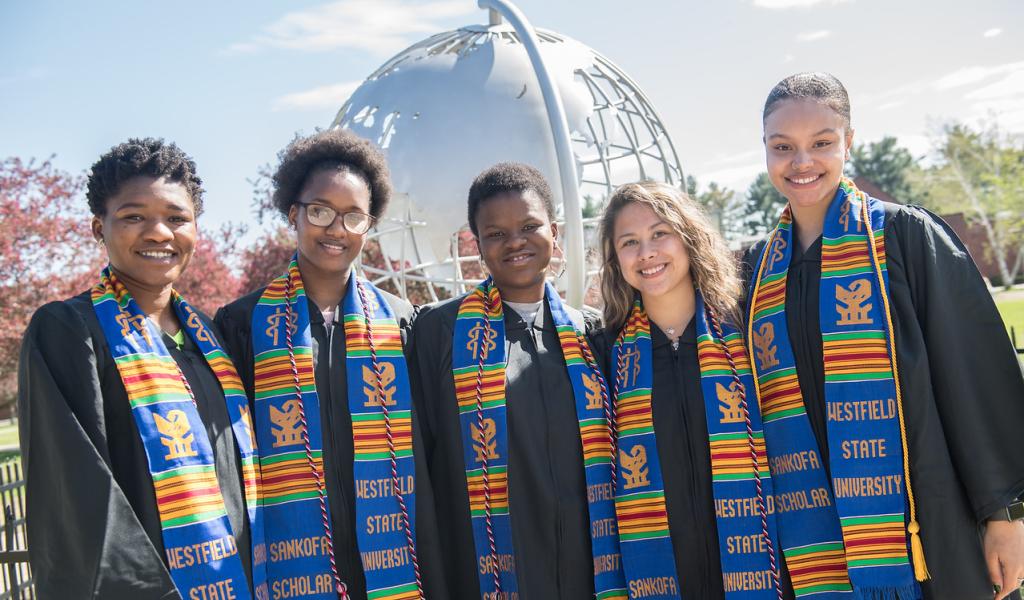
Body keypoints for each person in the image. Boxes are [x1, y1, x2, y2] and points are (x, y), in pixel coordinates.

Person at [744, 72, 1024, 599]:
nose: (802, 162)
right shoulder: (757, 271)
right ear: (765, 150)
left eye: (822, 143)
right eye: (783, 147)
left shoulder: (904, 236)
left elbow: (969, 371)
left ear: (849, 141)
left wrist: (1003, 515)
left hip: (923, 517)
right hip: (808, 534)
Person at [18, 138, 264, 599]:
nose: (158, 233)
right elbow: (78, 501)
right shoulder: (70, 332)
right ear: (98, 227)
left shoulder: (214, 338)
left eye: (177, 218)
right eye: (133, 217)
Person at [214, 129, 446, 599]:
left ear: (369, 224)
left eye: (354, 217)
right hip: (292, 558)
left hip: (395, 555)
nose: (336, 229)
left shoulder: (403, 324)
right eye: (320, 211)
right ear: (292, 214)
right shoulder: (243, 324)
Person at [409, 162, 626, 599]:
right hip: (483, 570)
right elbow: (421, 469)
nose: (515, 242)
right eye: (496, 233)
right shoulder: (439, 332)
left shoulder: (595, 334)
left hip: (591, 570)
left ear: (555, 231)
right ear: (478, 245)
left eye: (529, 225)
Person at [590, 181, 790, 599]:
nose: (647, 253)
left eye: (660, 233)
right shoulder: (605, 355)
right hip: (662, 571)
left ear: (689, 237)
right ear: (615, 259)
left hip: (763, 564)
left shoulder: (748, 327)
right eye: (629, 242)